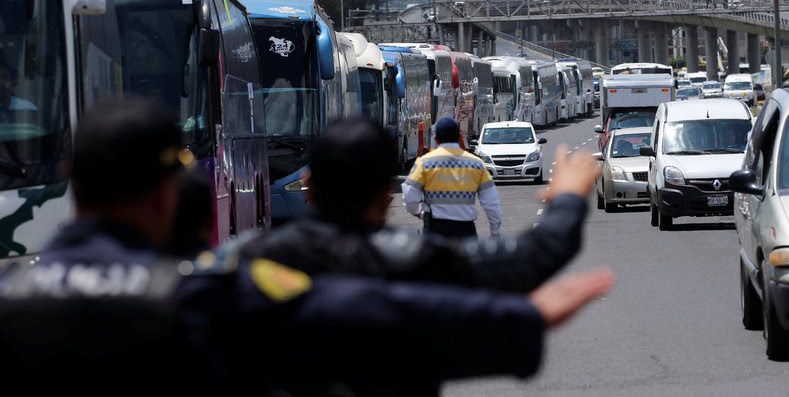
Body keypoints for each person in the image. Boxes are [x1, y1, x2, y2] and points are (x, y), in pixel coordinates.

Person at [0, 98, 615, 392]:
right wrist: (519, 322)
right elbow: (366, 314)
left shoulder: (13, 291)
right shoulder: (210, 292)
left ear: (75, 192)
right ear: (165, 197)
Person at [239, 114, 600, 294]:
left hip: (435, 226)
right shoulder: (408, 270)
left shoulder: (243, 266)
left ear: (308, 186)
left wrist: (421, 211)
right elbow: (529, 249)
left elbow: (411, 195)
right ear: (383, 198)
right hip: (462, 231)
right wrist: (566, 197)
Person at [402, 117, 502, 239]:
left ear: (435, 139)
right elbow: (491, 202)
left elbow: (409, 196)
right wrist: (495, 231)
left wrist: (419, 212)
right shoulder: (477, 164)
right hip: (466, 231)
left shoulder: (424, 162)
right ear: (459, 136)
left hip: (435, 230)